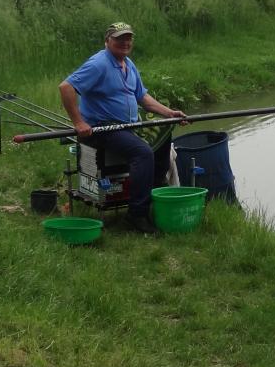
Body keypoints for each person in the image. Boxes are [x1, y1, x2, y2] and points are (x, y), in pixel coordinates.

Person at [59, 22, 188, 234]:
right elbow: (66, 87)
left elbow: (142, 97)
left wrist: (169, 113)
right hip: (102, 129)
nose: (125, 42)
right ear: (107, 40)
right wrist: (79, 123)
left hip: (128, 125)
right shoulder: (99, 64)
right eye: (119, 38)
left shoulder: (128, 63)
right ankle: (136, 214)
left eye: (128, 38)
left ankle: (153, 194)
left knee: (164, 136)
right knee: (142, 153)